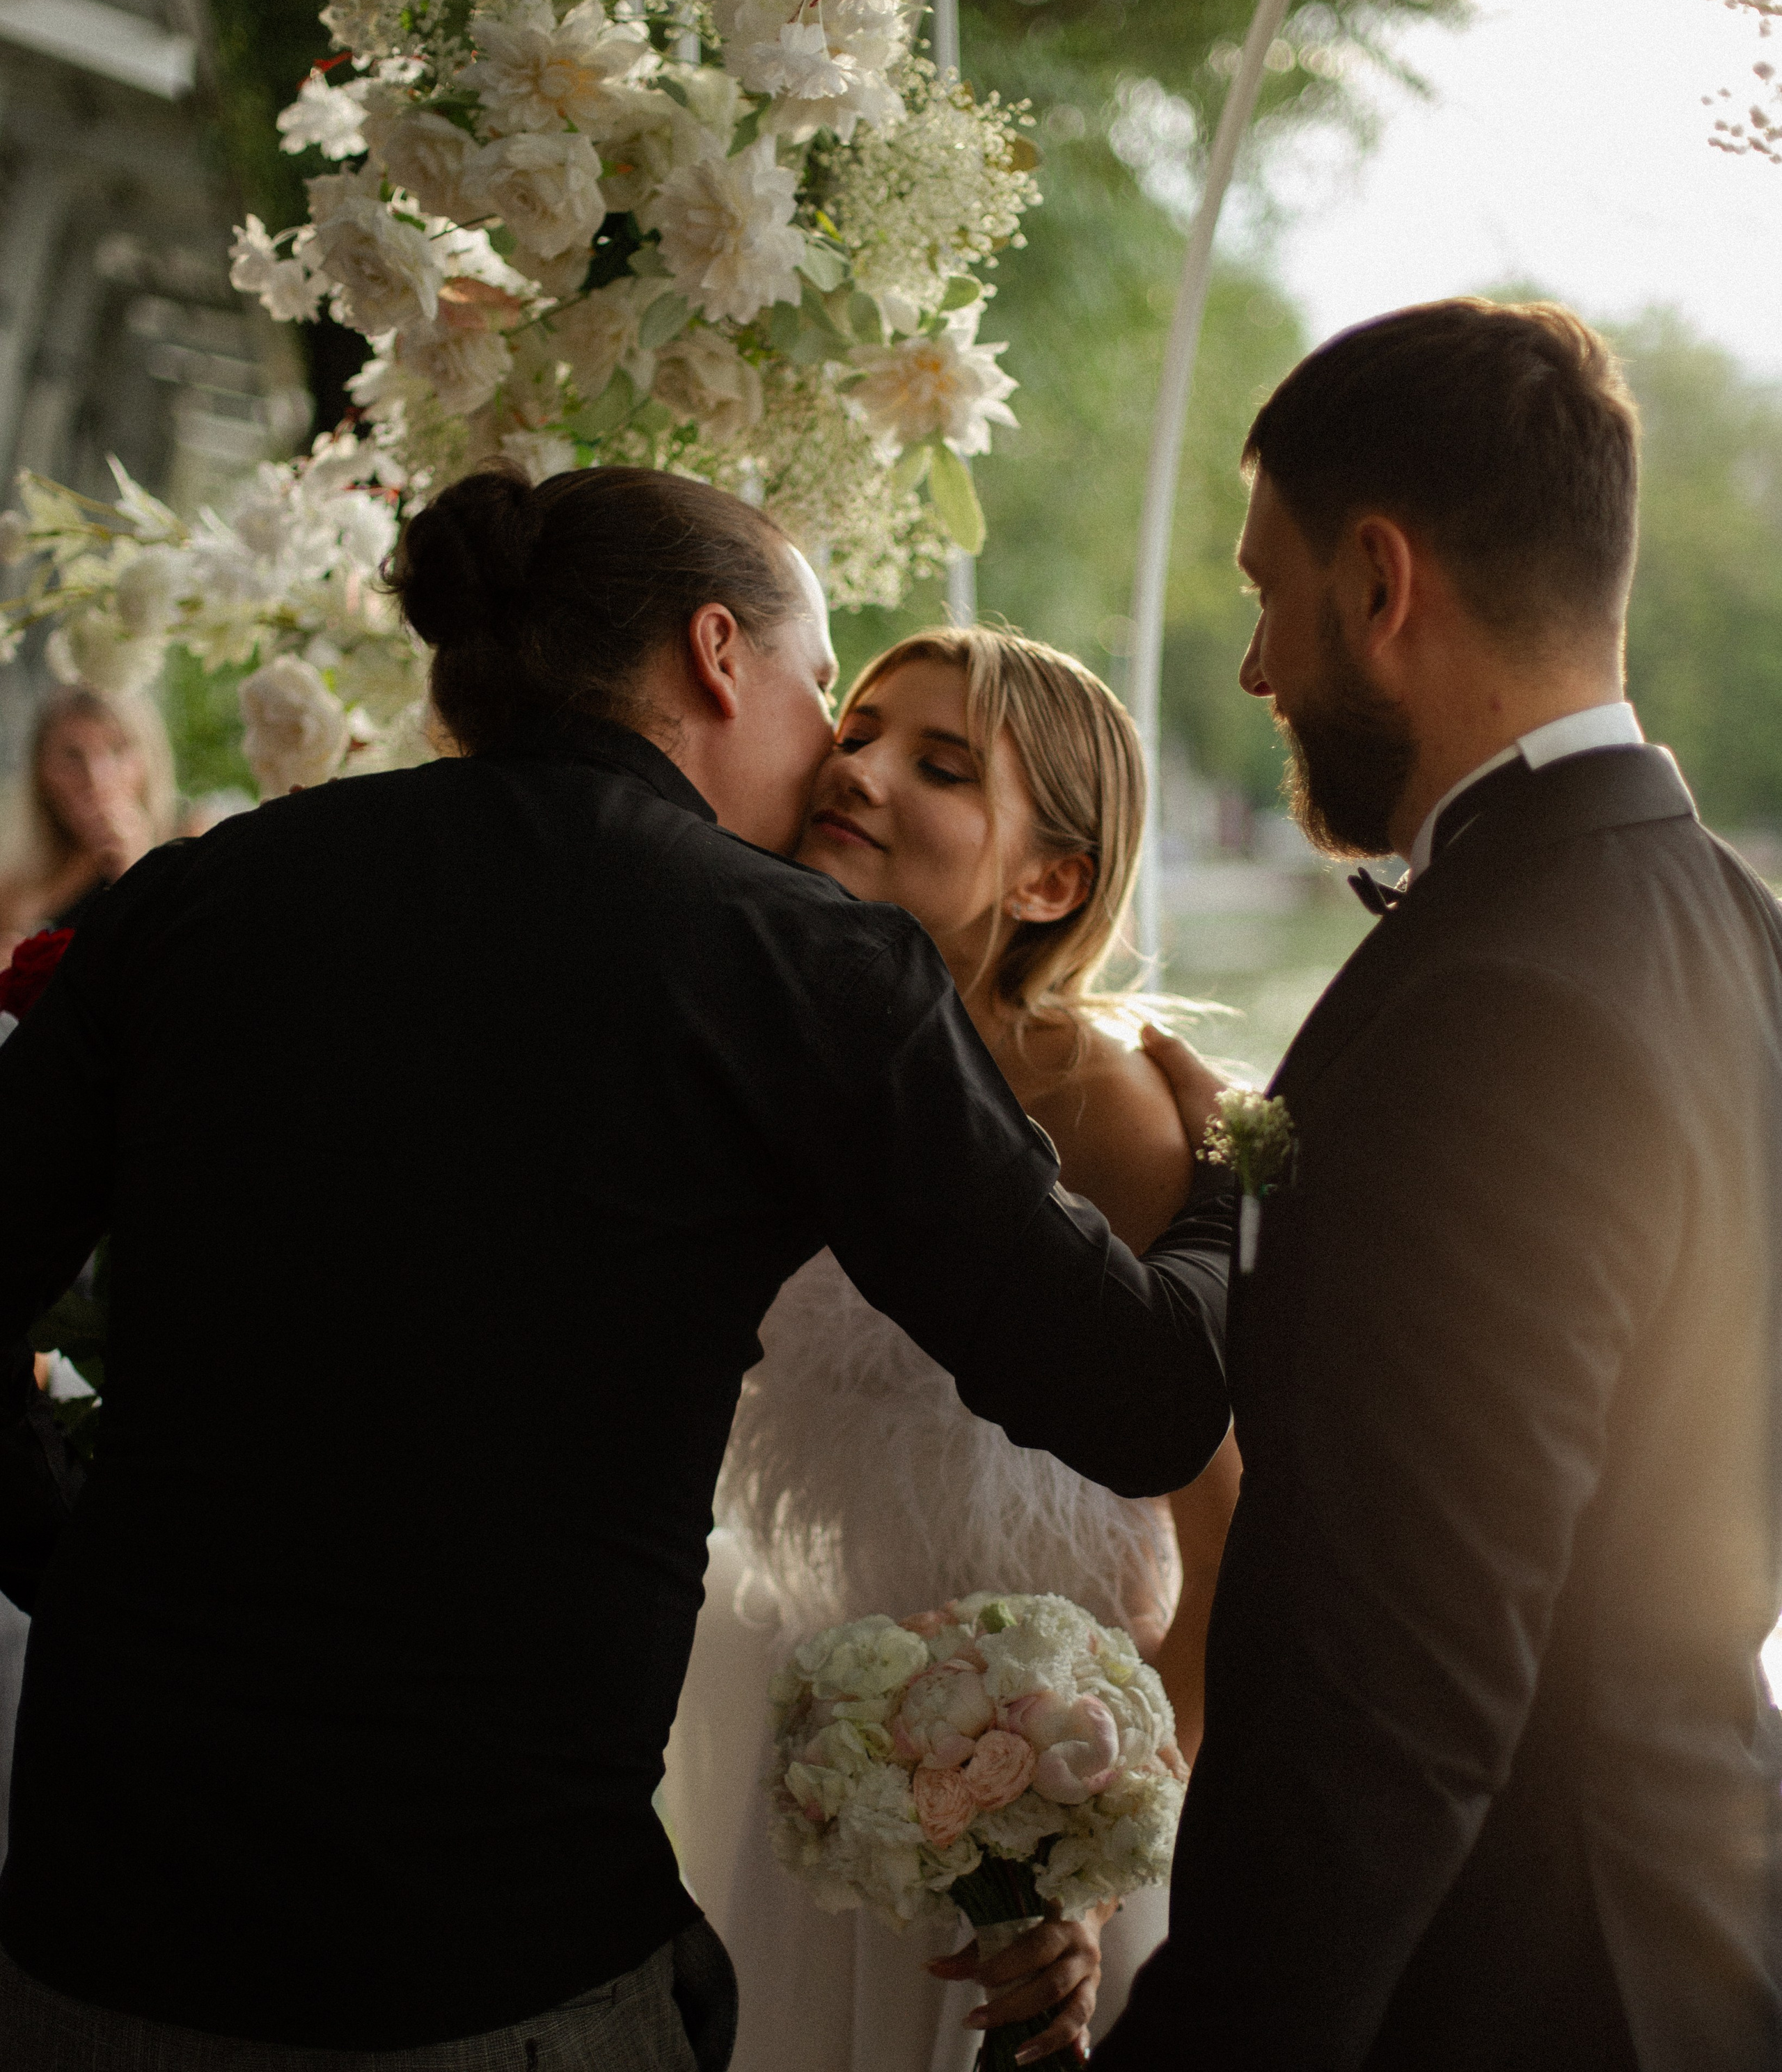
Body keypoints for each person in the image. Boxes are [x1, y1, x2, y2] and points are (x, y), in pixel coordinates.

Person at [0, 463, 1235, 2071]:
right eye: (822, 689)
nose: (835, 756)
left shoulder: (204, 890)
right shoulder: (795, 965)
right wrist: (1217, 1196)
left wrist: (66, 1551)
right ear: (721, 657)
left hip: (97, 1919)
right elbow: (1141, 1401)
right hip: (485, 1959)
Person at [1094, 299, 1782, 2072]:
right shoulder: (1729, 926)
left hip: (1512, 1980)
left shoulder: (1492, 1006)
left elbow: (1393, 1692)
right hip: (1695, 1914)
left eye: (1266, 593)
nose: (1253, 667)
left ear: (1378, 584)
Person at [663, 626, 1243, 2071]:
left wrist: (1092, 1857)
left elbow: (1227, 1519)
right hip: (816, 1761)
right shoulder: (771, 1048)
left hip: (1048, 1789)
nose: (855, 766)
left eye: (939, 762)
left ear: (1048, 880)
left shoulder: (1097, 1099)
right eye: (853, 729)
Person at [0, 685, 177, 965]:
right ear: (42, 774)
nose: (96, 778)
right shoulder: (14, 887)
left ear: (148, 761)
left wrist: (137, 869)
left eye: (117, 750)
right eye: (73, 756)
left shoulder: (192, 851)